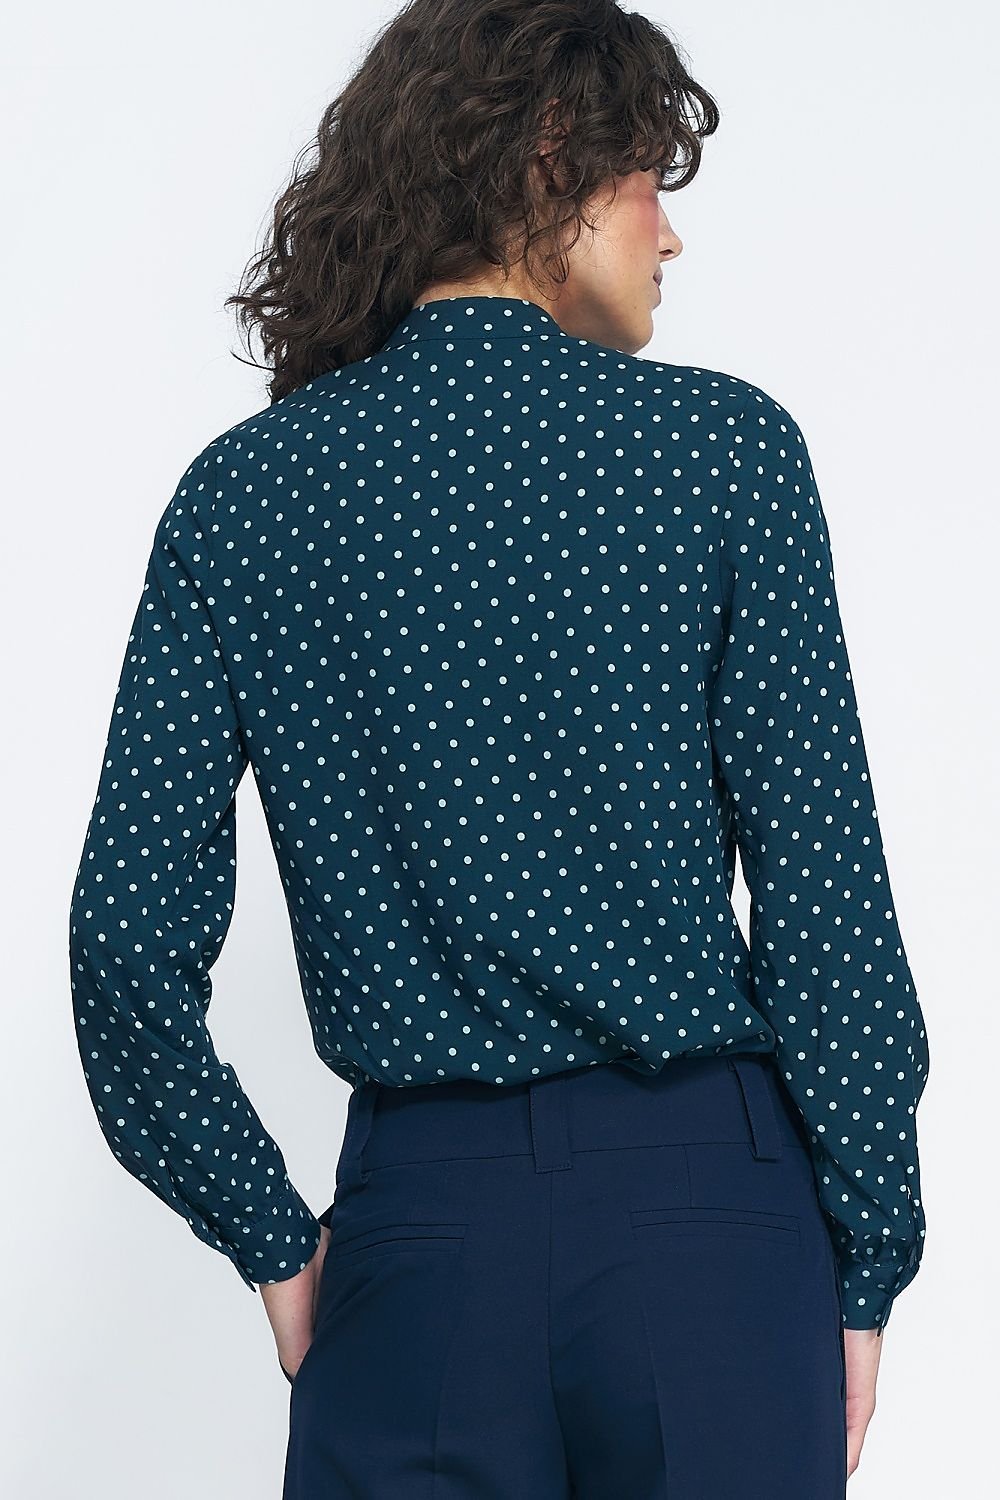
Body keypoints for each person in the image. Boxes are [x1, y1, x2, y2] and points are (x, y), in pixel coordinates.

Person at [68, 1, 930, 1493]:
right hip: (708, 1241)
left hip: (420, 1247)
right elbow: (826, 909)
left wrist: (278, 1244)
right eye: (650, 182)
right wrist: (868, 1258)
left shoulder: (244, 498)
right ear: (551, 154)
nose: (672, 235)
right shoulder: (724, 452)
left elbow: (123, 950)